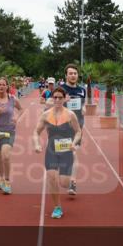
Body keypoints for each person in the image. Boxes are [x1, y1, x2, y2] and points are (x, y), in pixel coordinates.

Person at [33, 87, 82, 219]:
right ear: (52, 98)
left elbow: (78, 131)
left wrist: (74, 143)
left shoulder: (71, 114)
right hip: (51, 151)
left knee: (64, 183)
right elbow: (36, 132)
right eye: (55, 97)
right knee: (52, 177)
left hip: (66, 151)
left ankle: (71, 180)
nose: (58, 100)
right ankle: (57, 207)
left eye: (60, 97)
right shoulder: (45, 115)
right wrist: (37, 144)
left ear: (65, 98)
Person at [0, 76, 23, 194]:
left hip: (8, 131)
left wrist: (17, 117)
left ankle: (7, 181)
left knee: (5, 155)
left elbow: (21, 109)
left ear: (7, 86)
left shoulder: (13, 99)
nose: (1, 86)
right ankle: (1, 177)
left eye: (3, 85)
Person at [59, 64, 86, 197]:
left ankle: (73, 182)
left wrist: (84, 108)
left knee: (73, 153)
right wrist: (63, 101)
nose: (73, 75)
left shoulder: (82, 90)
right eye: (70, 73)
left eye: (75, 73)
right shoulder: (61, 89)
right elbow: (51, 104)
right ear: (66, 75)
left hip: (77, 127)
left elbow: (83, 104)